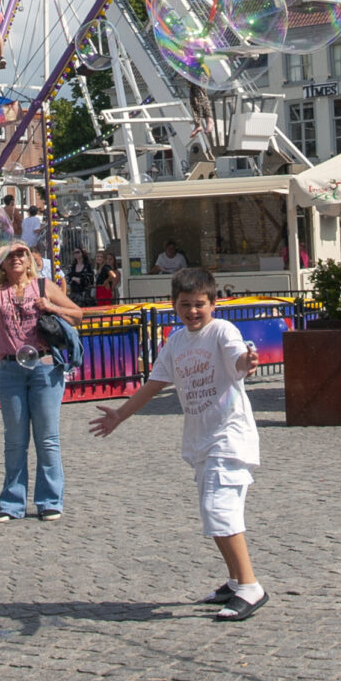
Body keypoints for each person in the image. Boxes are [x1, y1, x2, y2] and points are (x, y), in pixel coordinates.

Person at [90, 266, 267, 621]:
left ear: (214, 303)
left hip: (229, 437)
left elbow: (238, 357)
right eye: (185, 304)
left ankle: (251, 586)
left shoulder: (222, 331)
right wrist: (120, 416)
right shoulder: (176, 342)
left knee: (221, 509)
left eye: (200, 304)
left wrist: (246, 362)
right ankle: (234, 581)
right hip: (201, 439)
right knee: (212, 511)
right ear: (173, 304)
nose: (193, 311)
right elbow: (153, 385)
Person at [0, 243, 85, 521]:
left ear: (29, 260)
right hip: (10, 369)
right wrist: (2, 247)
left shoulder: (44, 286)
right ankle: (12, 503)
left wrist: (51, 307)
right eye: (10, 256)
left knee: (47, 439)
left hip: (44, 368)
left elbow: (78, 314)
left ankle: (50, 501)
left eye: (21, 254)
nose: (16, 259)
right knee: (14, 440)